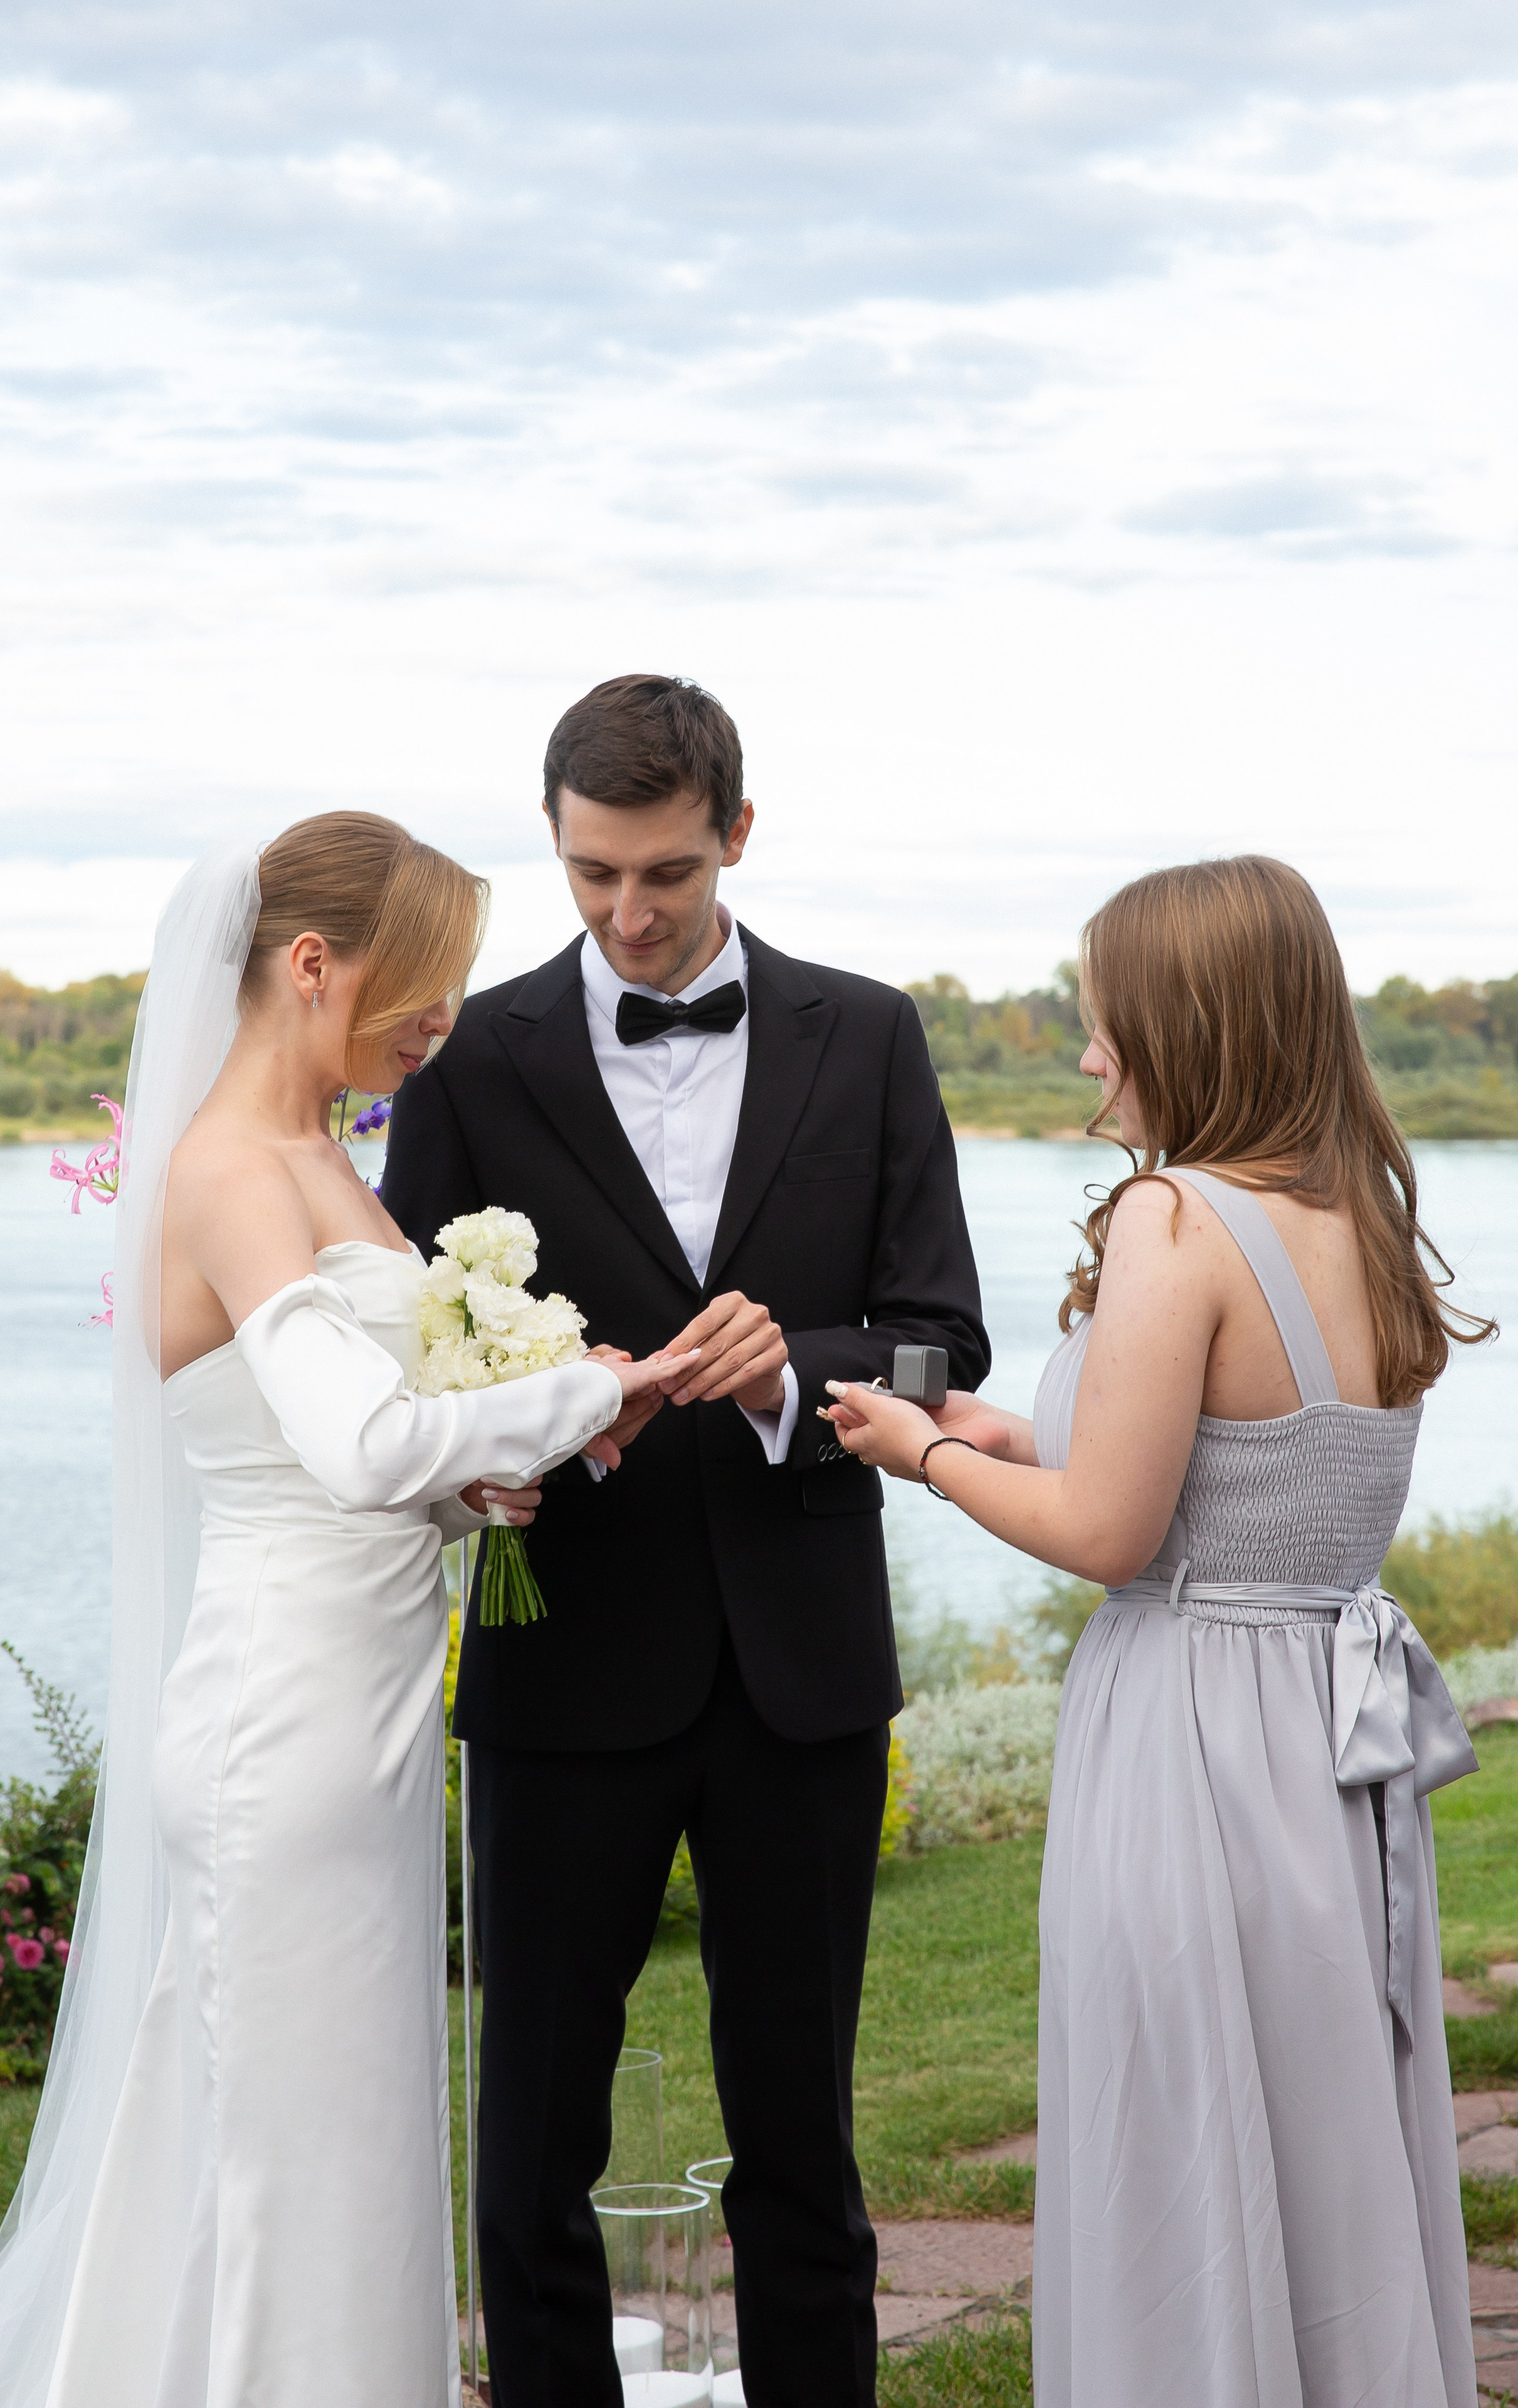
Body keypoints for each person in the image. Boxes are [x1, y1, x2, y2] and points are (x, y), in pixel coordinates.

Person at [0, 814, 691, 2408]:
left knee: (343, 2137)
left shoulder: (322, 1163)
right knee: (293, 2152)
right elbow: (356, 1447)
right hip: (279, 1721)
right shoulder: (228, 1172)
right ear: (310, 965)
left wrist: (472, 1486)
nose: (443, 1023)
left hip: (359, 1717)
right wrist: (588, 1386)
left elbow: (361, 1453)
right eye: (424, 989)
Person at [379, 673, 991, 2408]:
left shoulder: (868, 1034)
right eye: (591, 877)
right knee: (531, 2152)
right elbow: (413, 1355)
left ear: (737, 831)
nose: (630, 916)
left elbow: (948, 1342)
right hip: (562, 1658)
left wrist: (803, 1365)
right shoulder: (478, 1053)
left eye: (663, 871)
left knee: (803, 2140)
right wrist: (535, 1422)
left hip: (802, 1676)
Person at [824, 855, 1490, 2408]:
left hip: (1191, 1733)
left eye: (1102, 1020)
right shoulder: (1359, 1218)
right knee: (1321, 2115)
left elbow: (1113, 1536)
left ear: (1184, 1023)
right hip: (1325, 1743)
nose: (1084, 1054)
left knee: (1180, 2122)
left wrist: (915, 1454)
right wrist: (1002, 1433)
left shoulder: (1170, 1217)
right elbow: (1239, 1477)